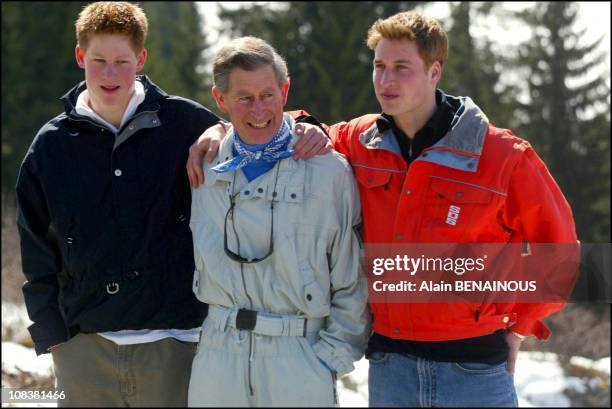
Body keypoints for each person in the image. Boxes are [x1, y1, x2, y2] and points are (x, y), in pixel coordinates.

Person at [187, 11, 578, 408]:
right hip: (391, 367)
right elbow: (263, 123)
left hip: (473, 370)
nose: (386, 80)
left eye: (401, 68)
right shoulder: (357, 141)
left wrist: (520, 326)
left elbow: (560, 255)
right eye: (379, 66)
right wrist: (218, 130)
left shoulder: (501, 155)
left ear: (434, 71)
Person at [15, 2, 218, 406]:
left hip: (176, 348)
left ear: (141, 59)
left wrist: (298, 127)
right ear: (79, 57)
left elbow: (258, 131)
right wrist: (55, 339)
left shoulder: (186, 125)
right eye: (99, 60)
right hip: (83, 353)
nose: (110, 74)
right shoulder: (50, 147)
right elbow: (36, 247)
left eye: (122, 61)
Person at [186, 36, 370, 407]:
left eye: (268, 95)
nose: (258, 110)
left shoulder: (328, 172)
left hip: (300, 357)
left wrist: (329, 362)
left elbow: (353, 278)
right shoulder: (202, 167)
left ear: (285, 91)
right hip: (218, 360)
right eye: (244, 98)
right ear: (220, 100)